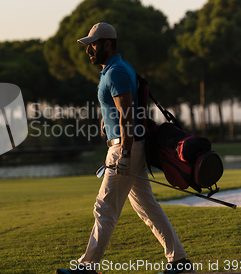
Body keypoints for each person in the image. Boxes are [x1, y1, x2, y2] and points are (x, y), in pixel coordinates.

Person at [56, 23, 196, 274]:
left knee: (104, 208)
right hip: (127, 145)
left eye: (93, 45)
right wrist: (105, 121)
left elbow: (128, 115)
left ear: (107, 44)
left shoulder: (116, 71)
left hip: (125, 148)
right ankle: (179, 261)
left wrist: (126, 154)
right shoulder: (117, 68)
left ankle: (87, 267)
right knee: (147, 207)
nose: (89, 50)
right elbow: (119, 109)